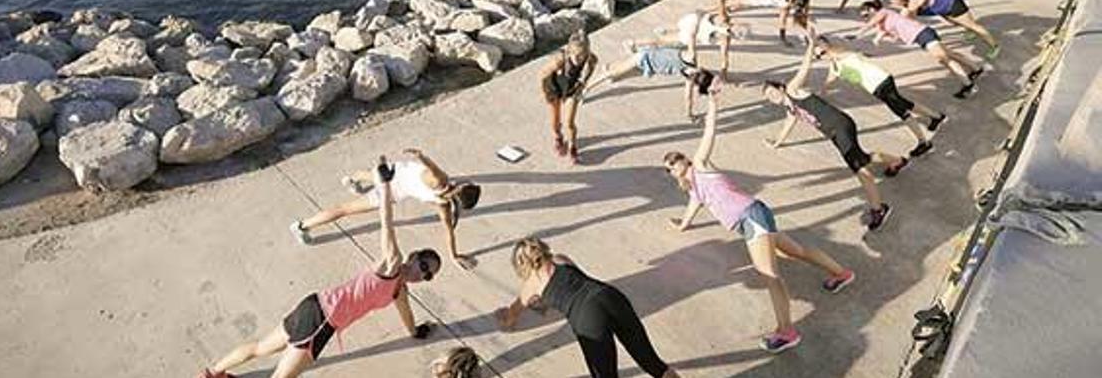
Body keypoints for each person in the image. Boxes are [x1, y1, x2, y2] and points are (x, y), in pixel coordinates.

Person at [201, 158, 442, 378]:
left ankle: (213, 373)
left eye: (428, 274)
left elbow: (406, 314)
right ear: (412, 257)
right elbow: (386, 224)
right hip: (322, 319)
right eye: (422, 265)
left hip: (315, 305)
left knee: (261, 348)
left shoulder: (400, 290)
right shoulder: (391, 264)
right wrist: (386, 185)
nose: (422, 273)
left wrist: (415, 332)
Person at [665, 90, 856, 354]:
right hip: (752, 219)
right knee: (796, 252)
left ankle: (787, 332)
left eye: (675, 162)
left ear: (685, 160)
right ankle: (842, 273)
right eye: (669, 167)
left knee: (769, 273)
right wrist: (682, 224)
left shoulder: (700, 165)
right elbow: (692, 209)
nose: (674, 167)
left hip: (750, 216)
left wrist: (711, 103)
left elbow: (709, 134)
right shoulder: (694, 189)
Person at [761, 33, 908, 231]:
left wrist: (810, 46)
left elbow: (804, 69)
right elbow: (789, 125)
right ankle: (897, 161)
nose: (772, 98)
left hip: (840, 126)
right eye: (768, 98)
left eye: (772, 93)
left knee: (859, 168)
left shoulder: (793, 90)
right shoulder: (790, 107)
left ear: (780, 88)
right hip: (837, 130)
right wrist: (777, 142)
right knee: (863, 157)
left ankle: (879, 208)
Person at [494, 238, 681, 378]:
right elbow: (573, 281)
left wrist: (506, 318)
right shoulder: (561, 259)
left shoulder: (531, 286)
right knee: (652, 362)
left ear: (521, 264)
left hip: (587, 318)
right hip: (609, 296)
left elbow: (514, 313)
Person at [290, 149, 482, 270]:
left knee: (367, 178)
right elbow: (448, 231)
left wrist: (421, 156)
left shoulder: (441, 181)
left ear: (461, 186)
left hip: (391, 172)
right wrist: (453, 255)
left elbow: (432, 167)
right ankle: (301, 225)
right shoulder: (444, 205)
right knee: (345, 209)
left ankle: (350, 180)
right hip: (391, 187)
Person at [814, 35, 946, 157]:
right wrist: (821, 94)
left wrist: (831, 51)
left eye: (821, 53)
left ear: (826, 49)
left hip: (881, 81)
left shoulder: (844, 54)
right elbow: (828, 82)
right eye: (818, 57)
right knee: (903, 103)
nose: (821, 57)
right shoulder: (834, 66)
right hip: (875, 87)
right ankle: (936, 117)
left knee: (901, 111)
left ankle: (923, 142)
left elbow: (855, 55)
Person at [582, 13, 723, 121]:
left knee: (616, 77)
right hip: (645, 58)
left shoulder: (691, 60)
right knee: (612, 74)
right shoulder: (690, 76)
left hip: (649, 65)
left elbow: (691, 36)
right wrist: (689, 115)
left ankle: (610, 70)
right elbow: (688, 98)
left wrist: (698, 22)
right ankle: (586, 88)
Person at [849, 0, 983, 99]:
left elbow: (871, 24)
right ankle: (976, 68)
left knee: (944, 59)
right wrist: (879, 39)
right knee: (948, 54)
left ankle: (969, 85)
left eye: (866, 15)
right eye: (864, 17)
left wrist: (857, 34)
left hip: (922, 33)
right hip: (921, 36)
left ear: (872, 9)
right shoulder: (883, 24)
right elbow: (891, 36)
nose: (866, 18)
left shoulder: (883, 12)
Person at [539, 30, 598, 163]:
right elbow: (543, 74)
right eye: (576, 56)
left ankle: (573, 146)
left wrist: (582, 84)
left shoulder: (591, 59)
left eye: (582, 55)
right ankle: (558, 137)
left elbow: (590, 70)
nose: (579, 59)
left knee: (569, 123)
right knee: (555, 121)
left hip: (571, 89)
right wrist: (545, 93)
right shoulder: (559, 61)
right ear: (569, 52)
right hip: (554, 88)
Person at [890, 0, 1000, 60]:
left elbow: (910, 17)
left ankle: (994, 46)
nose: (893, 4)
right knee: (955, 23)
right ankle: (969, 30)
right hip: (943, 10)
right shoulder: (906, 4)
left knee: (973, 25)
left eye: (893, 1)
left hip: (952, 4)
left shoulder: (914, 0)